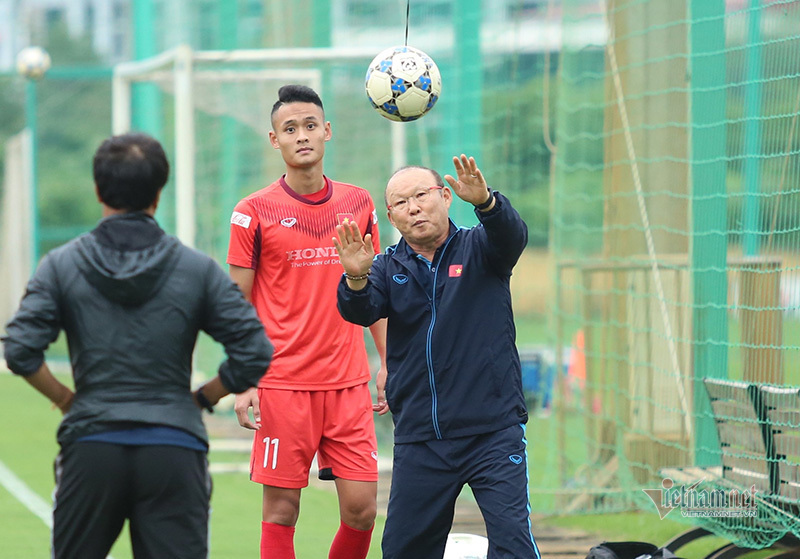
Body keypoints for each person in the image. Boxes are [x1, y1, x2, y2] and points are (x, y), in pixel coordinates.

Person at [1, 132, 274, 559]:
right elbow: (255, 350)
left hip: (91, 447)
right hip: (174, 447)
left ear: (98, 190)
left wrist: (68, 400)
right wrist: (202, 398)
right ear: (159, 193)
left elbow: (19, 349)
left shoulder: (62, 264)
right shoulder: (195, 268)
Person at [334, 154, 541, 559]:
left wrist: (487, 203)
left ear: (446, 197)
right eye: (401, 203)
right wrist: (355, 276)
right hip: (421, 439)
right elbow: (359, 310)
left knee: (514, 546)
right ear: (392, 217)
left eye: (421, 196)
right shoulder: (385, 266)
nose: (413, 208)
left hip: (492, 432)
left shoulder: (481, 247)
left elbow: (512, 238)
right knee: (403, 550)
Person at [227, 84, 386, 559]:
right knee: (281, 512)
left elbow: (374, 291)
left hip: (348, 384)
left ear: (327, 132)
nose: (302, 136)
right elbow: (236, 304)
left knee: (362, 510)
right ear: (274, 140)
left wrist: (387, 360)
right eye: (290, 128)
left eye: (310, 126)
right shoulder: (252, 212)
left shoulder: (359, 204)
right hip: (282, 384)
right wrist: (244, 379)